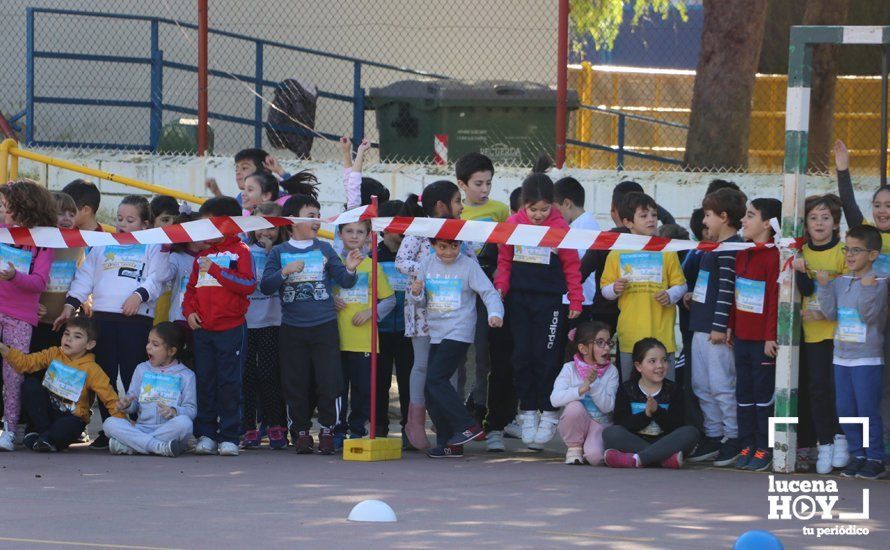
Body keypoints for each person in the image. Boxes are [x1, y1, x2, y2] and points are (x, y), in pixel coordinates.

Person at [53, 195, 171, 450]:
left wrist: (138, 296)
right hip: (103, 320)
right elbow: (85, 277)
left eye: (130, 220)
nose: (122, 225)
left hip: (135, 321)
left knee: (133, 374)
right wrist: (70, 304)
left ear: (145, 224)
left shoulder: (152, 244)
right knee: (103, 377)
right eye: (119, 219)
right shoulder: (104, 244)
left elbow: (157, 277)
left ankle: (142, 425)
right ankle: (110, 427)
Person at [260, 194, 362, 455]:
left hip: (324, 326)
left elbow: (344, 280)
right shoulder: (280, 252)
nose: (317, 220)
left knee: (330, 381)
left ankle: (328, 430)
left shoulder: (325, 249)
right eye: (311, 215)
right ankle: (301, 432)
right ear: (293, 220)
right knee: (295, 382)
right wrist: (284, 272)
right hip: (292, 328)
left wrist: (349, 269)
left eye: (318, 215)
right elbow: (266, 286)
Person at [495, 158, 583, 450]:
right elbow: (504, 261)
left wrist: (575, 299)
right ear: (523, 205)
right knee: (522, 356)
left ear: (554, 206)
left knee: (546, 356)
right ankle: (528, 411)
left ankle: (548, 411)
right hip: (519, 300)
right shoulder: (512, 225)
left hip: (550, 304)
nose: (538, 215)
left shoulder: (560, 228)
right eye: (533, 209)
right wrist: (501, 289)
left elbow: (572, 266)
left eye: (545, 209)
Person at [409, 236, 503, 458]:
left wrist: (495, 313)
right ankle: (449, 442)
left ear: (461, 244)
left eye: (454, 246)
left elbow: (488, 292)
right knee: (430, 390)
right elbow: (420, 302)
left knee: (435, 378)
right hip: (436, 333)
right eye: (442, 247)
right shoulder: (426, 264)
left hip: (459, 331)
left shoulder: (469, 265)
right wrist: (415, 292)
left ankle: (467, 424)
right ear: (432, 246)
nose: (449, 252)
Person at [395, 181, 473, 450]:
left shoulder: (460, 232)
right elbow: (401, 262)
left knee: (447, 369)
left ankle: (448, 423)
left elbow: (471, 261)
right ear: (441, 206)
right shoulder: (419, 231)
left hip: (451, 312)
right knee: (423, 364)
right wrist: (432, 269)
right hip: (421, 309)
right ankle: (414, 420)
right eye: (457, 201)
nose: (461, 207)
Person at [183, 196, 256, 457]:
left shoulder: (241, 252)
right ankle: (206, 434)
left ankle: (229, 436)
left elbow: (248, 285)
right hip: (203, 331)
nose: (203, 232)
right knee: (206, 381)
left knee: (229, 382)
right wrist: (189, 312)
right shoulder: (200, 256)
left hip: (231, 329)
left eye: (209, 225)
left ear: (227, 224)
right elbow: (190, 290)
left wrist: (215, 270)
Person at [816, 224, 887, 480]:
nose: (850, 255)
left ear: (873, 254)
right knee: (846, 410)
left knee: (867, 411)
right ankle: (857, 454)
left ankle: (875, 457)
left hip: (867, 359)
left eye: (857, 250)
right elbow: (830, 313)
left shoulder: (877, 282)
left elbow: (869, 316)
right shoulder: (840, 282)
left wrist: (868, 288)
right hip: (841, 357)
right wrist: (824, 287)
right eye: (848, 249)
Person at [833, 139, 890, 458]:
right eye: (878, 205)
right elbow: (850, 207)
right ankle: (867, 452)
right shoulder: (868, 235)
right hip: (868, 329)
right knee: (867, 395)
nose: (882, 210)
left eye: (889, 206)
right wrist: (843, 170)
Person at [686, 187, 747, 466]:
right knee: (702, 385)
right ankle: (713, 434)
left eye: (708, 215)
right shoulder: (714, 248)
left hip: (715, 332)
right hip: (700, 327)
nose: (704, 221)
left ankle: (732, 437)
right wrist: (693, 297)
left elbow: (727, 291)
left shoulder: (731, 249)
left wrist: (720, 326)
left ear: (724, 217)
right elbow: (709, 286)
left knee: (722, 386)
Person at [0, 316, 122, 452]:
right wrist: (5, 349)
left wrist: (123, 426)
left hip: (71, 419)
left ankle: (43, 438)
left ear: (89, 345)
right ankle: (46, 437)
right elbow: (26, 363)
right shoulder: (54, 353)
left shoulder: (93, 369)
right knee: (30, 385)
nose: (69, 339)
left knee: (68, 425)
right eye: (66, 334)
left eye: (77, 336)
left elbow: (109, 398)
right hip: (47, 415)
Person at [600, 192, 686, 382]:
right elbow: (605, 290)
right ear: (628, 222)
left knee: (666, 390)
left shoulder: (667, 250)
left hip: (662, 336)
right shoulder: (617, 252)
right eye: (644, 215)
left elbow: (681, 285)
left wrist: (671, 294)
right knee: (631, 388)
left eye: (654, 215)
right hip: (631, 338)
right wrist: (615, 288)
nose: (651, 220)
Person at [793, 194, 849, 474]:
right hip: (812, 334)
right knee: (817, 389)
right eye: (813, 217)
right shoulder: (800, 253)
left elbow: (849, 293)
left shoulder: (843, 253)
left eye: (825, 217)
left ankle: (841, 438)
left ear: (836, 224)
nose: (819, 222)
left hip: (839, 333)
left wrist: (827, 313)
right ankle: (824, 442)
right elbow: (806, 291)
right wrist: (800, 270)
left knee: (837, 389)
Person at [0, 180, 56, 451]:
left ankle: (10, 431)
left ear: (24, 209)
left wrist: (14, 276)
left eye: (7, 208)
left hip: (20, 316)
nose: (3, 213)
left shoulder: (44, 242)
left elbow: (38, 283)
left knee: (14, 375)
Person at [730, 198, 781, 471]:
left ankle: (765, 447)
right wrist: (731, 326)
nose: (743, 220)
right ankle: (747, 444)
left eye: (750, 216)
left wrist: (770, 336)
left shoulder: (775, 256)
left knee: (763, 398)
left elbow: (774, 299)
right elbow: (736, 296)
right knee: (743, 395)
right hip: (741, 338)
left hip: (763, 342)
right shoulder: (742, 252)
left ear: (768, 224)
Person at [333, 220, 395, 444]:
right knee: (337, 388)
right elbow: (321, 291)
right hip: (336, 339)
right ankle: (337, 431)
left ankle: (357, 430)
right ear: (340, 234)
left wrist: (371, 312)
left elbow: (390, 299)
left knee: (362, 389)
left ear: (369, 236)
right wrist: (331, 300)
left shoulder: (373, 265)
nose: (354, 236)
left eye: (360, 232)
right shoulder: (333, 263)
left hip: (365, 341)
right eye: (349, 231)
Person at [456, 152, 505, 426]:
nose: (484, 189)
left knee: (482, 352)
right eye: (478, 183)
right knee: (460, 353)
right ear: (462, 184)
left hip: (487, 289)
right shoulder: (456, 212)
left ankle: (479, 407)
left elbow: (506, 248)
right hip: (459, 291)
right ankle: (457, 406)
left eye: (488, 183)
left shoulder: (499, 210)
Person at [602, 338, 700, 469]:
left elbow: (676, 426)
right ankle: (663, 460)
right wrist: (646, 415)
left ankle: (637, 459)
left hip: (666, 441)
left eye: (664, 360)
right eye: (652, 361)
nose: (660, 365)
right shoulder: (627, 389)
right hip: (635, 441)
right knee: (610, 433)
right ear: (638, 366)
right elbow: (622, 424)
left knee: (691, 432)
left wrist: (657, 412)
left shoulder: (674, 390)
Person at [103, 322, 195, 457]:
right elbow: (133, 403)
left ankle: (131, 447)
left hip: (168, 430)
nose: (148, 347)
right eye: (148, 342)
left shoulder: (187, 375)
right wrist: (126, 405)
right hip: (141, 428)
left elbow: (191, 410)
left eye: (155, 344)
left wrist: (175, 411)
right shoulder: (142, 369)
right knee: (109, 423)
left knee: (185, 423)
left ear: (171, 351)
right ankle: (158, 447)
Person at [241, 202, 288, 450]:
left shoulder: (283, 252)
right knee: (247, 375)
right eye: (260, 226)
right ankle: (249, 425)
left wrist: (272, 254)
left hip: (273, 321)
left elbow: (280, 283)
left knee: (270, 374)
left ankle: (275, 425)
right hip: (247, 323)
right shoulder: (244, 250)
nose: (265, 232)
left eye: (272, 227)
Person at [550, 321, 619, 465]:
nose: (607, 347)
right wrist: (580, 389)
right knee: (574, 407)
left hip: (600, 422)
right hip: (577, 422)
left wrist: (594, 383)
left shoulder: (612, 371)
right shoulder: (570, 368)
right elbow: (554, 399)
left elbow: (608, 407)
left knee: (595, 457)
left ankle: (590, 448)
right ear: (583, 348)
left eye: (608, 342)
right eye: (600, 343)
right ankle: (574, 447)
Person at [375, 200, 414, 445]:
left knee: (409, 382)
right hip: (378, 330)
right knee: (378, 381)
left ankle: (410, 430)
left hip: (409, 330)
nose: (402, 231)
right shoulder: (372, 256)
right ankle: (378, 426)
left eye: (406, 225)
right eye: (396, 226)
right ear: (383, 228)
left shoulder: (415, 256)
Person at [32, 192, 85, 353]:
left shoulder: (78, 244)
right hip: (36, 319)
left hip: (64, 321)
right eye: (60, 213)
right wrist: (30, 304)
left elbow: (80, 277)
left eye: (71, 214)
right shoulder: (36, 241)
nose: (67, 218)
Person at [554, 176, 600, 325]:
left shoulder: (584, 227)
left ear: (567, 204)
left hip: (580, 300)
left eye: (556, 210)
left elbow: (576, 263)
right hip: (575, 298)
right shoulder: (580, 225)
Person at [166, 212, 206, 369]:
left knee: (200, 365)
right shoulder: (177, 257)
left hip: (203, 321)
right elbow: (165, 276)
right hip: (180, 320)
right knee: (179, 364)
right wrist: (164, 250)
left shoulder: (213, 257)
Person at [205, 148, 290, 206]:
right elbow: (232, 213)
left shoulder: (281, 198)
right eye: (236, 168)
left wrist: (280, 171)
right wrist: (216, 192)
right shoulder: (242, 197)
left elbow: (299, 196)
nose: (238, 172)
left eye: (244, 168)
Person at [150, 195, 181, 325]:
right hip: (147, 315)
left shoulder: (182, 251)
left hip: (175, 321)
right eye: (165, 220)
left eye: (176, 220)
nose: (171, 225)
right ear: (151, 223)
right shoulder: (146, 249)